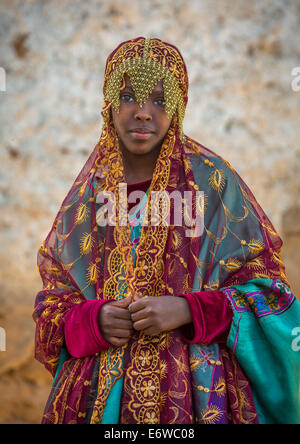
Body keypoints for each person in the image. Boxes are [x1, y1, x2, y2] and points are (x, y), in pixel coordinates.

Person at [33, 37, 300, 424]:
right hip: (102, 394)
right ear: (108, 104)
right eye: (128, 96)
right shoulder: (89, 197)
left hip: (198, 392)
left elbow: (269, 295)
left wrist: (189, 310)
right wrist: (94, 320)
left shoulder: (213, 186)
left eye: (159, 100)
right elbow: (52, 305)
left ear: (178, 107)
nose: (143, 113)